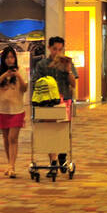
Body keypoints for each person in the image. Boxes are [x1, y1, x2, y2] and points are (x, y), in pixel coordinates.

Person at [31, 36, 77, 175]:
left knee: (62, 131)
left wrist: (67, 69)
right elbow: (35, 82)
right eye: (54, 49)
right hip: (47, 102)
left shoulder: (67, 62)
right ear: (49, 48)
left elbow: (73, 84)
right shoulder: (42, 64)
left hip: (64, 101)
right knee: (49, 131)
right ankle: (53, 163)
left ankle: (62, 156)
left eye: (60, 49)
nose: (57, 52)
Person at [0, 46, 28, 177]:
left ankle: (12, 166)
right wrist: (4, 75)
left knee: (13, 138)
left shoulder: (21, 71)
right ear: (3, 59)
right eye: (7, 57)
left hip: (17, 110)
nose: (10, 60)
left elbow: (24, 88)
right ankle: (9, 164)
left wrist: (17, 75)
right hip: (2, 110)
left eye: (12, 57)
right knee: (6, 139)